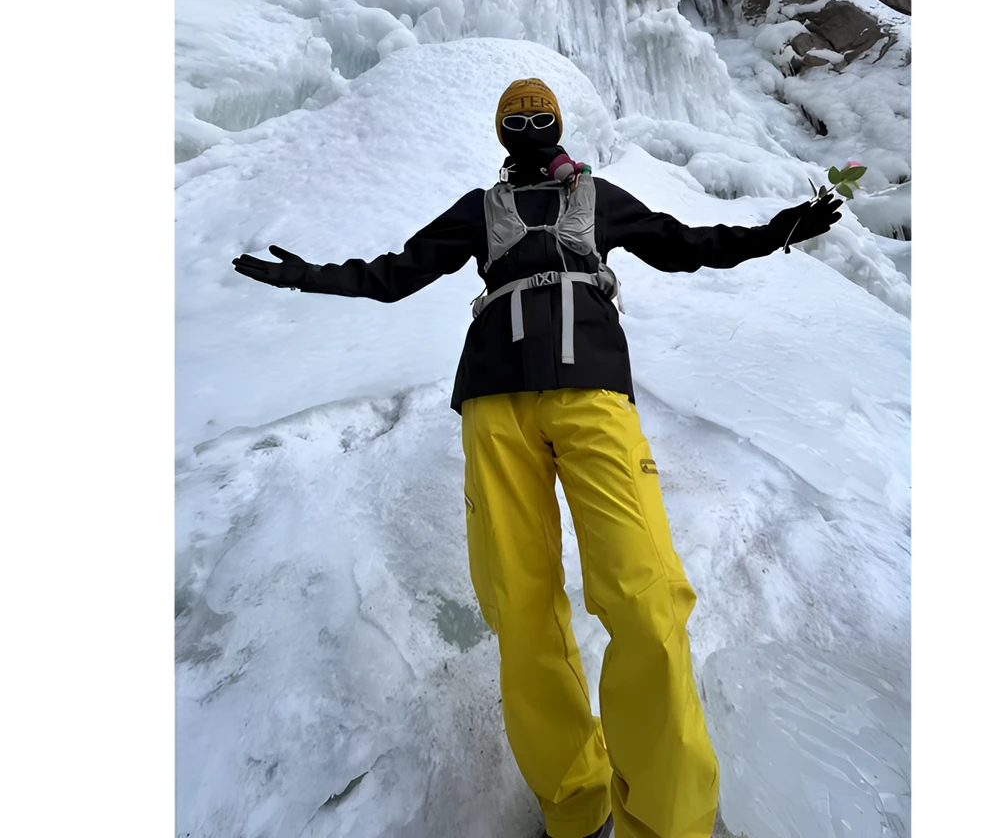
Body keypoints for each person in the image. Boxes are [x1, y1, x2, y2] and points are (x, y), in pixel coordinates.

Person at [232, 78, 841, 838]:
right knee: (520, 610)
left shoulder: (601, 197)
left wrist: (773, 231)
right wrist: (306, 276)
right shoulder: (476, 211)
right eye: (513, 119)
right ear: (501, 133)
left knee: (645, 598)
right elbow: (394, 275)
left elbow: (687, 246)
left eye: (538, 115)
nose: (527, 124)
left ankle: (669, 819)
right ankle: (575, 805)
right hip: (493, 405)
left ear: (558, 124)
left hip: (593, 398)